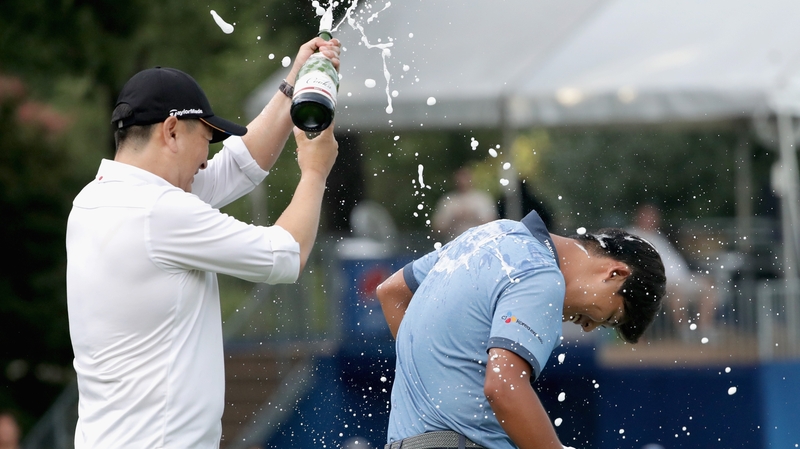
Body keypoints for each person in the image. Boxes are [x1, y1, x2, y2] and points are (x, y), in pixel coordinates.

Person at [65, 36, 340, 448]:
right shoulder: (159, 212)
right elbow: (286, 255)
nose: (209, 156)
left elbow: (240, 165)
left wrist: (294, 84)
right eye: (207, 138)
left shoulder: (94, 201)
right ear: (172, 130)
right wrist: (315, 172)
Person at [376, 210, 666, 449]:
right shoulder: (542, 275)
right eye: (611, 317)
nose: (591, 327)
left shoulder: (493, 232)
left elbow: (392, 293)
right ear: (615, 273)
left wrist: (435, 376)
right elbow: (504, 388)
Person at [627, 203, 718, 337]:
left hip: (682, 279)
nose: (650, 220)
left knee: (709, 286)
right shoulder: (632, 236)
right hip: (659, 283)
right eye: (647, 216)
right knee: (677, 291)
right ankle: (685, 332)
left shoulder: (659, 236)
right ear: (638, 217)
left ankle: (704, 330)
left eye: (653, 216)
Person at [432, 166, 498, 242]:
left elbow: (492, 224)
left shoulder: (482, 199)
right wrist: (455, 219)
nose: (462, 182)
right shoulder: (448, 200)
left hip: (479, 243)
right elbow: (437, 229)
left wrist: (472, 216)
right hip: (453, 245)